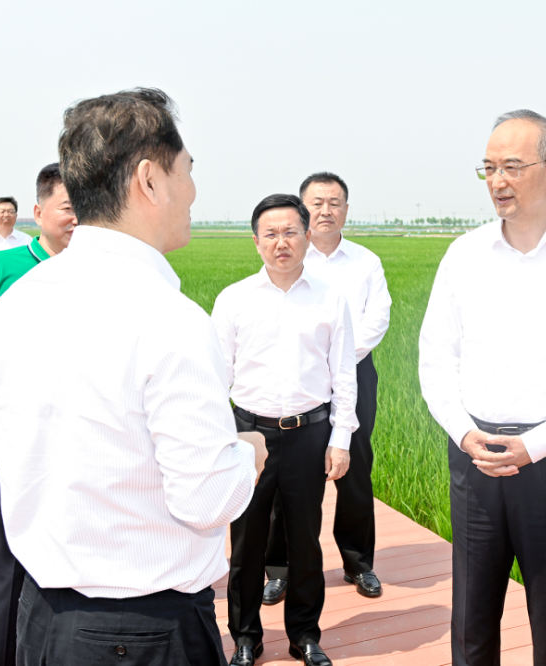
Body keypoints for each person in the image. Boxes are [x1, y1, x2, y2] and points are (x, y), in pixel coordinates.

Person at [0, 88, 268, 666]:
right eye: (187, 171)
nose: (192, 190)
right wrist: (247, 454)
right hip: (143, 633)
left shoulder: (11, 307)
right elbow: (205, 496)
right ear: (149, 181)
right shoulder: (171, 319)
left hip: (41, 620)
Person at [418, 110, 546, 666]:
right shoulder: (464, 254)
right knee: (472, 616)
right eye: (488, 168)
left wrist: (537, 445)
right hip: (474, 457)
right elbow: (435, 356)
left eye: (512, 166)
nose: (498, 181)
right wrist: (464, 434)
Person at [212, 193, 358, 666]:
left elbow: (344, 377)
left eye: (291, 231)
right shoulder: (234, 299)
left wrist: (340, 440)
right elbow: (216, 376)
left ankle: (304, 635)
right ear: (256, 241)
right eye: (271, 234)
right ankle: (245, 637)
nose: (282, 242)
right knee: (247, 543)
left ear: (307, 236)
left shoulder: (330, 298)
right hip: (249, 434)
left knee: (305, 540)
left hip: (308, 433)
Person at [261, 173, 390, 606]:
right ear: (302, 209)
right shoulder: (290, 256)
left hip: (354, 372)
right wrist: (321, 360)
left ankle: (358, 562)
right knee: (285, 470)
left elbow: (378, 318)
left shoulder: (366, 262)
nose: (326, 210)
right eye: (317, 202)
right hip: (299, 375)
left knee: (354, 469)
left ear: (347, 210)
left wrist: (338, 356)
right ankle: (278, 568)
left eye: (335, 202)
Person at [0, 163, 77, 666]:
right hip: (10, 428)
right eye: (66, 208)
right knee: (10, 545)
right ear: (38, 213)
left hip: (78, 429)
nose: (77, 219)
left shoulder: (97, 277)